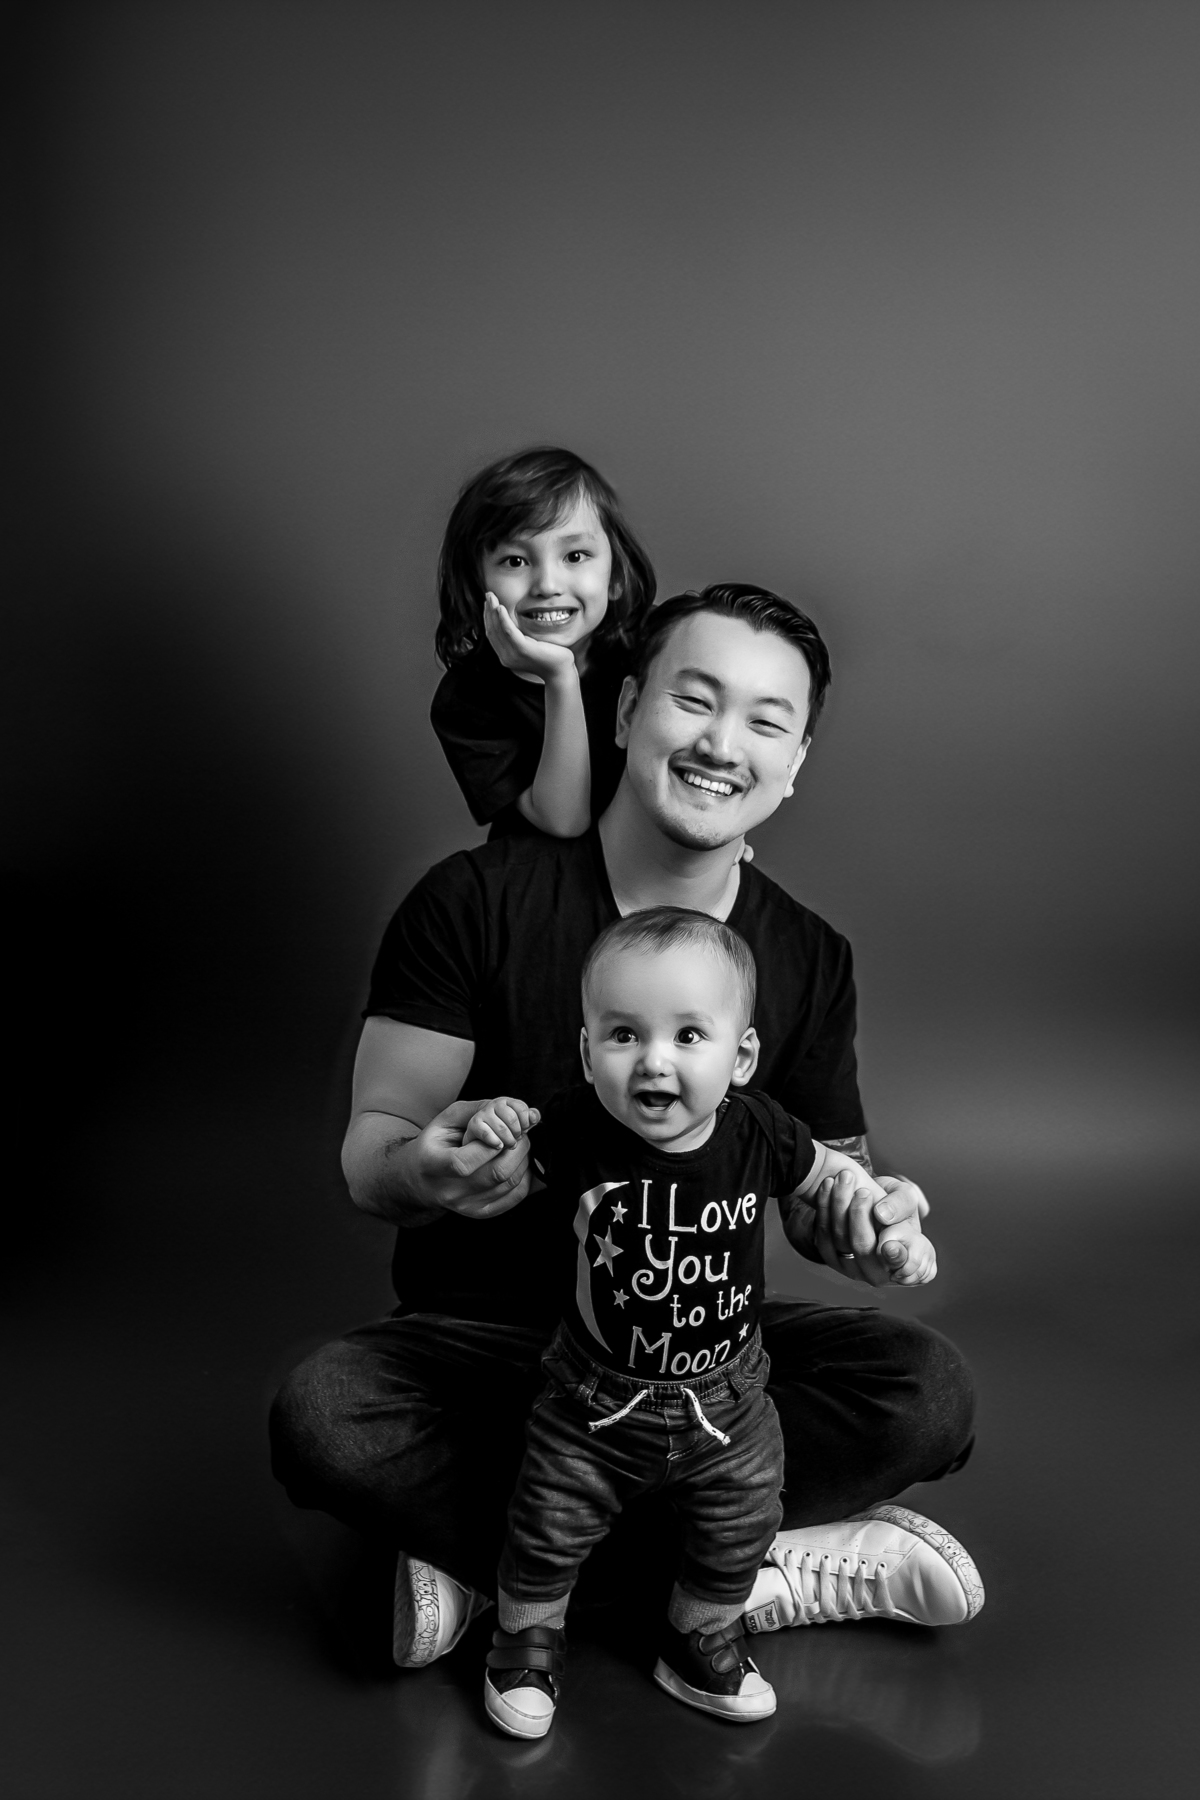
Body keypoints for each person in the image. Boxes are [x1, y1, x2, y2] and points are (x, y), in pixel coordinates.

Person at [270, 582, 982, 1683]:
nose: (721, 745)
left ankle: (508, 1577)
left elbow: (825, 1184)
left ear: (795, 762)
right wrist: (429, 1168)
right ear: (624, 710)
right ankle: (745, 1575)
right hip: (495, 1354)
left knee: (926, 1392)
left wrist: (871, 1224)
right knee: (325, 1416)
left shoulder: (809, 956)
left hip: (703, 1368)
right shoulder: (474, 901)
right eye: (694, 701)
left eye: (765, 722)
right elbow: (374, 1161)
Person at [467, 905, 939, 1739]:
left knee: (741, 1522)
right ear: (587, 1052)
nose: (655, 1060)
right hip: (593, 1402)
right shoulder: (574, 1125)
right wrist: (490, 1135)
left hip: (728, 1401)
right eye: (623, 1035)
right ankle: (525, 1639)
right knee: (547, 1520)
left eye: (689, 1035)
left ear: (741, 1055)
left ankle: (699, 1636)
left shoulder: (761, 1130)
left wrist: (882, 1218)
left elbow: (833, 1180)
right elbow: (498, 1176)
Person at [430, 446, 655, 838]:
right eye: (515, 561)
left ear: (616, 577)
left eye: (575, 556)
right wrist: (559, 676)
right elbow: (564, 822)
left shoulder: (653, 650)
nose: (547, 585)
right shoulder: (467, 699)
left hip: (644, 863)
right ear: (477, 585)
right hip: (542, 870)